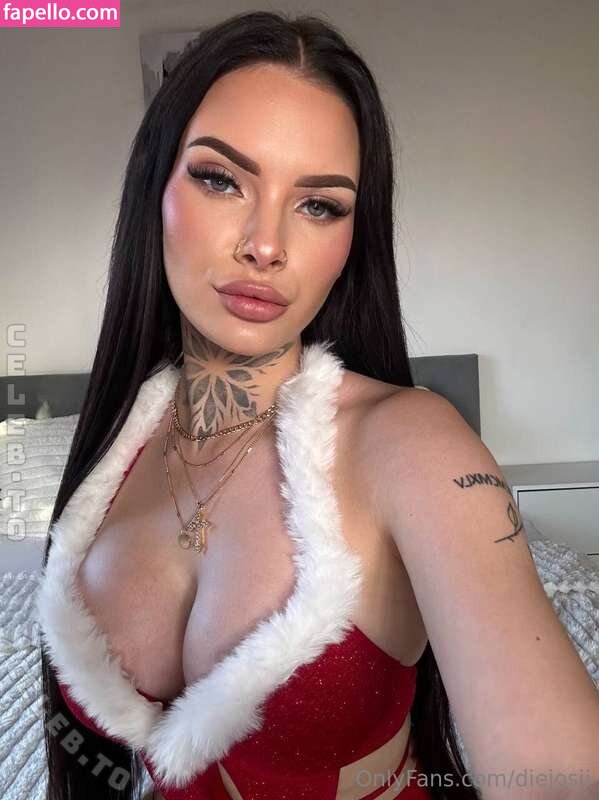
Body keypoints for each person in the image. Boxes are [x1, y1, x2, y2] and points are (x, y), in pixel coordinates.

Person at [35, 10, 599, 800]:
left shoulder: (411, 444)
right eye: (219, 179)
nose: (265, 245)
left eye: (319, 205)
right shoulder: (115, 447)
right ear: (153, 190)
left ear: (350, 239)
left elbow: (556, 775)